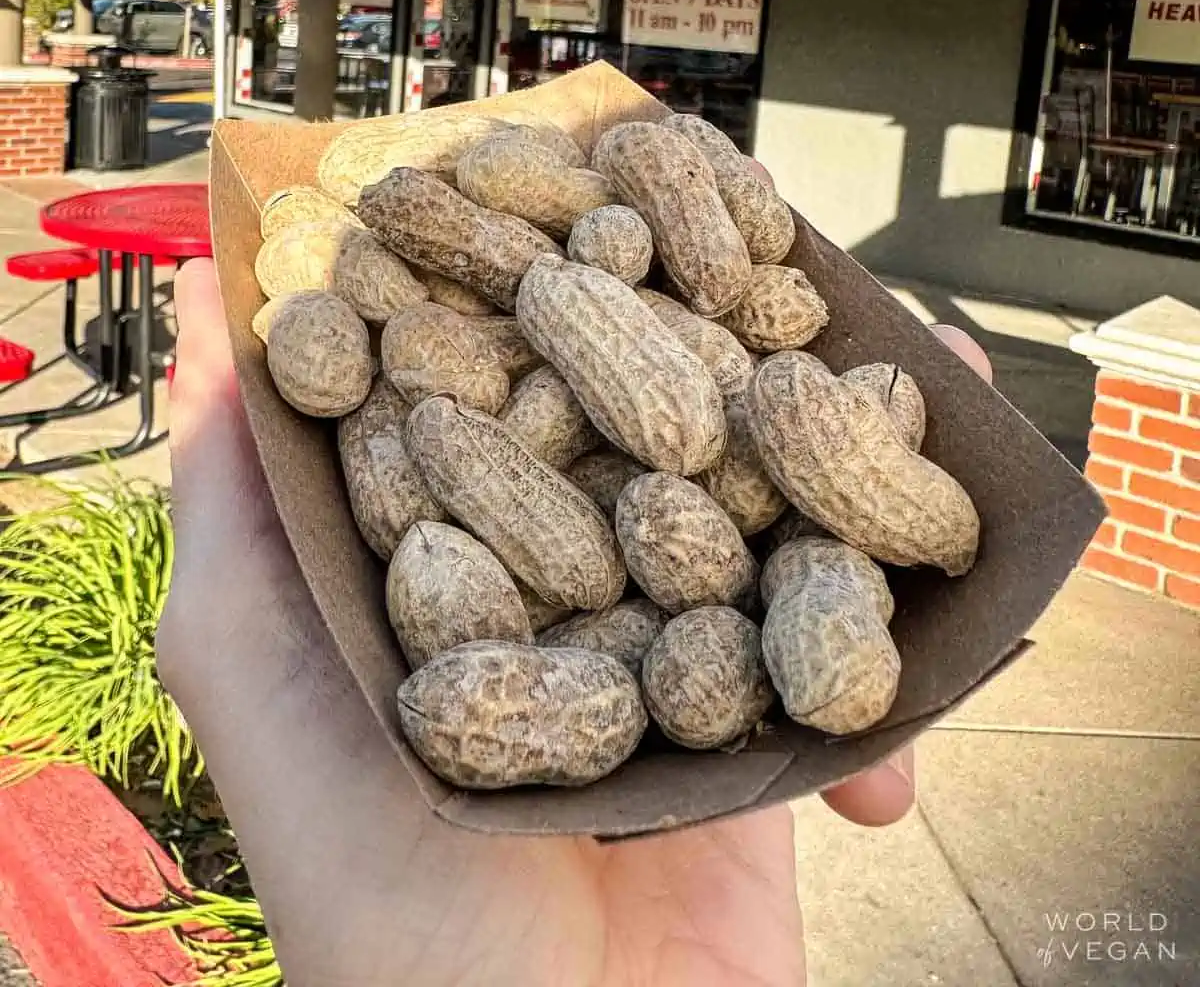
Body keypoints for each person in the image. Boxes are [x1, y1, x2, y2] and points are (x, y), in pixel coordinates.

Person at [159, 258, 992, 987]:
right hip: (574, 594)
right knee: (622, 541)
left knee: (663, 550)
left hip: (630, 574)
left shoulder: (723, 470)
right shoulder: (515, 425)